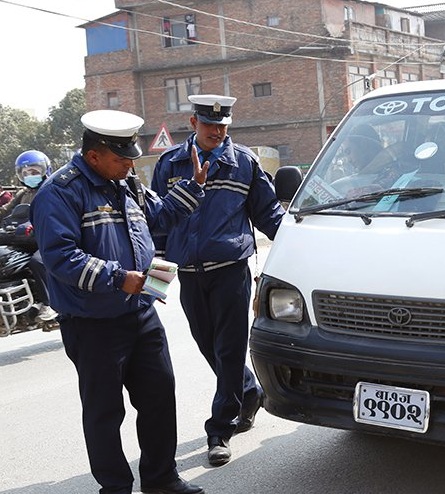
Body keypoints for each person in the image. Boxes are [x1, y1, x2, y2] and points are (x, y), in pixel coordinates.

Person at [29, 109, 207, 494]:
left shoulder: (127, 185)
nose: (130, 165)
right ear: (94, 155)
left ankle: (161, 479)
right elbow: (60, 257)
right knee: (105, 413)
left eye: (132, 158)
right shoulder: (60, 192)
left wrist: (192, 187)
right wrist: (117, 277)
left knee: (160, 397)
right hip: (92, 323)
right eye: (122, 158)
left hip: (140, 314)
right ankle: (114, 488)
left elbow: (160, 217)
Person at [151, 94, 285, 467]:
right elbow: (159, 224)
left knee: (228, 349)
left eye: (223, 126)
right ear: (193, 124)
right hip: (190, 274)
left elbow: (269, 214)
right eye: (210, 125)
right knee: (207, 344)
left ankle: (219, 429)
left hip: (230, 271)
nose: (217, 132)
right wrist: (156, 282)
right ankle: (247, 391)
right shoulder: (169, 163)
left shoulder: (244, 163)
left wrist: (299, 249)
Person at [2, 150, 58, 322]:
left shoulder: (51, 190)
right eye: (25, 173)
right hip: (23, 238)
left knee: (38, 261)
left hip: (47, 237)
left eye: (34, 172)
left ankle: (49, 304)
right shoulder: (21, 193)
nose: (29, 175)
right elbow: (5, 211)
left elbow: (52, 213)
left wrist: (31, 225)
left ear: (44, 171)